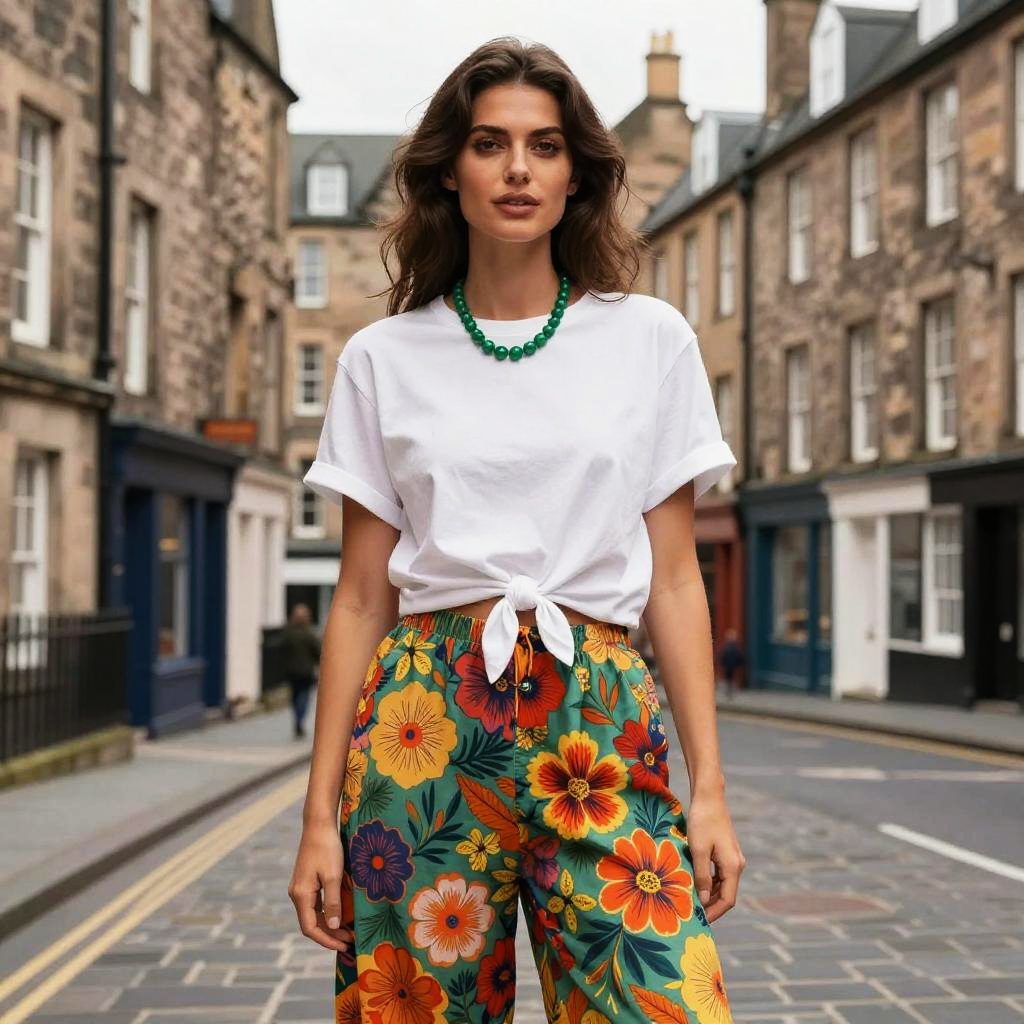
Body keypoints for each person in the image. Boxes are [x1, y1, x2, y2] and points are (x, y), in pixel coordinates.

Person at [288, 37, 746, 1024]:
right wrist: (317, 818)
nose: (517, 168)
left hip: (601, 706)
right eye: (490, 143)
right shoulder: (382, 358)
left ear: (575, 169)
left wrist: (707, 787)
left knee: (667, 1006)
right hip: (424, 721)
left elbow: (673, 579)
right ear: (450, 170)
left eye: (542, 145)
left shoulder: (649, 340)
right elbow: (362, 595)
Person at [280, 603, 321, 738]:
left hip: (291, 671)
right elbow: (318, 651)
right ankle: (300, 719)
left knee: (294, 696)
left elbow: (282, 649)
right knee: (304, 696)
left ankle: (297, 718)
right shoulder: (309, 633)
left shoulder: (289, 633)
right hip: (306, 671)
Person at [717, 627, 746, 700]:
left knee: (732, 679)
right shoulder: (727, 647)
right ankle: (729, 692)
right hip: (728, 666)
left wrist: (740, 664)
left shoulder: (735, 647)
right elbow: (722, 656)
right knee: (728, 679)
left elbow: (739, 656)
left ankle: (731, 692)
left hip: (733, 666)